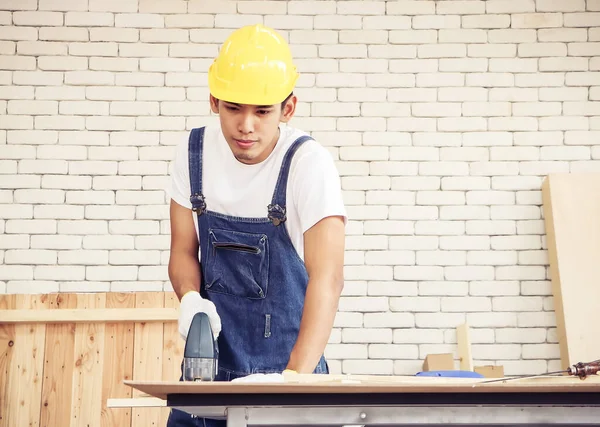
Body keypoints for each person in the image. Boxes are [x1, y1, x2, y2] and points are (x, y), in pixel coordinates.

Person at [165, 24, 347, 426]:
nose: (246, 125)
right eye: (233, 107)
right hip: (207, 382)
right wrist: (190, 297)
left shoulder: (306, 164)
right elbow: (182, 250)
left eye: (263, 111)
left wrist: (293, 385)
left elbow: (328, 279)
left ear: (289, 107)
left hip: (288, 375)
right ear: (214, 100)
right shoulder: (192, 153)